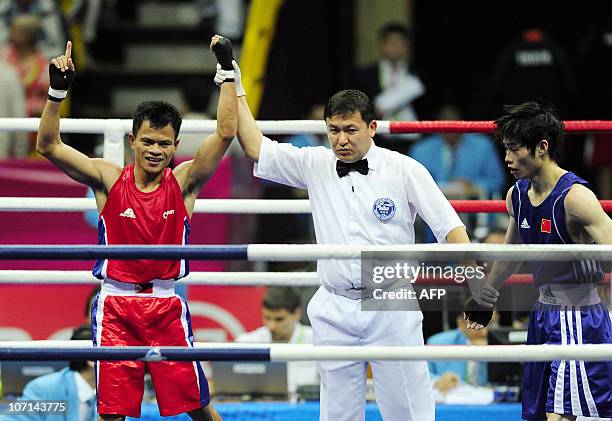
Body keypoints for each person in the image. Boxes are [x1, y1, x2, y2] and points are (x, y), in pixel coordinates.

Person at [216, 59, 472, 421]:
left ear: (371, 127)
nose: (341, 139)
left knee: (410, 413)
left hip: (390, 303)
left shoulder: (404, 168)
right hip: (334, 305)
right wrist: (234, 80)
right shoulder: (315, 162)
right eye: (334, 130)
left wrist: (477, 286)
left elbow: (450, 227)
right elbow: (256, 146)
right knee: (337, 415)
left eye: (350, 129)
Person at [35, 36, 237, 420]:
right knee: (113, 413)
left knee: (198, 408)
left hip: (165, 303)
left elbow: (225, 133)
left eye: (164, 143)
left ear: (175, 144)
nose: (155, 150)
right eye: (147, 141)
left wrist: (227, 71)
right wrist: (57, 91)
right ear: (132, 141)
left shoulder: (184, 182)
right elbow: (48, 145)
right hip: (116, 306)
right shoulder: (108, 179)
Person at [465, 101, 612, 421]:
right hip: (543, 314)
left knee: (562, 415)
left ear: (541, 147)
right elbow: (512, 254)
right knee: (540, 414)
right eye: (505, 149)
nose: (506, 159)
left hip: (578, 317)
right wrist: (485, 296)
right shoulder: (516, 195)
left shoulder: (575, 197)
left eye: (514, 149)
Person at [2, 325, 97, 421]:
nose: (113, 362)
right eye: (109, 352)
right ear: (92, 360)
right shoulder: (44, 390)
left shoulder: (108, 394)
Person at [236, 287, 318, 394]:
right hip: (261, 407)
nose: (271, 326)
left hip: (306, 408)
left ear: (297, 314)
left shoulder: (316, 341)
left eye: (279, 319)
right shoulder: (246, 343)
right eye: (267, 318)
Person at [427, 312, 491, 395]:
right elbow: (422, 373)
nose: (484, 330)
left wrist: (486, 354)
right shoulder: (437, 343)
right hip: (453, 402)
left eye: (490, 323)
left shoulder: (501, 345)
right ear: (460, 323)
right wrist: (437, 381)